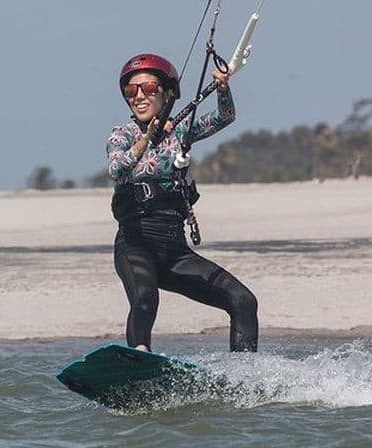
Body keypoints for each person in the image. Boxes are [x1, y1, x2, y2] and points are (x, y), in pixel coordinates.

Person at [106, 53, 258, 353]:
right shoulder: (121, 134)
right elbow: (116, 168)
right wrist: (146, 140)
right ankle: (140, 356)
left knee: (243, 300)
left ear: (167, 93)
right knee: (146, 299)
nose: (139, 96)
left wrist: (223, 87)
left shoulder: (180, 131)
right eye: (130, 91)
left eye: (148, 89)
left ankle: (245, 377)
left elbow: (224, 117)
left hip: (174, 251)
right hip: (136, 244)